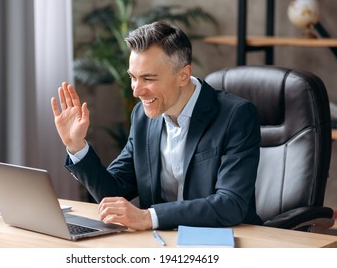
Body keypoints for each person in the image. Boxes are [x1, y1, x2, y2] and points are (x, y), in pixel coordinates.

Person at [51, 21, 263, 230]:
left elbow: (231, 205)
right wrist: (76, 145)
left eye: (148, 79)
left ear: (183, 75)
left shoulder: (235, 115)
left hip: (226, 240)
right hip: (159, 242)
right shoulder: (143, 117)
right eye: (133, 78)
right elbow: (113, 192)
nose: (136, 91)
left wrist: (148, 217)